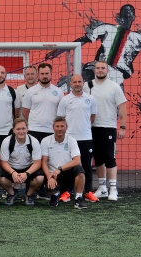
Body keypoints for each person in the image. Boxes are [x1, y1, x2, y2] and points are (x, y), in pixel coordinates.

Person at [47, 4, 141, 88]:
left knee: (116, 100)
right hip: (97, 68)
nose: (127, 17)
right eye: (125, 14)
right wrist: (57, 50)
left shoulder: (138, 38)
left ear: (133, 17)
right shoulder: (107, 28)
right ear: (120, 16)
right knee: (85, 75)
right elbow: (81, 41)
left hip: (117, 75)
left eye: (129, 14)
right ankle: (58, 91)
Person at [83, 61, 128, 201]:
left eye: (103, 68)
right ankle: (102, 188)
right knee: (98, 158)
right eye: (98, 68)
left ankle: (113, 189)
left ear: (107, 70)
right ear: (94, 70)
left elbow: (122, 108)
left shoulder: (114, 87)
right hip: (91, 128)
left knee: (110, 157)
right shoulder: (87, 85)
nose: (100, 70)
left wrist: (122, 127)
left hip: (108, 127)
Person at [57, 74, 99, 203]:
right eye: (74, 82)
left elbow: (92, 118)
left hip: (86, 137)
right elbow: (61, 118)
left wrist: (83, 128)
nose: (77, 84)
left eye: (79, 82)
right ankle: (66, 192)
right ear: (71, 84)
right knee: (68, 167)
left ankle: (88, 192)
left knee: (87, 166)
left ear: (83, 83)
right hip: (70, 138)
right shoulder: (65, 100)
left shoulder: (91, 99)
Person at [40, 117, 88, 209]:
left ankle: (78, 198)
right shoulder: (45, 141)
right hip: (53, 174)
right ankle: (55, 195)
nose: (60, 129)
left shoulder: (71, 140)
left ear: (67, 127)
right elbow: (44, 162)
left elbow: (77, 161)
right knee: (50, 188)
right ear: (53, 127)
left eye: (62, 126)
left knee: (80, 170)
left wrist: (60, 169)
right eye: (57, 126)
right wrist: (49, 177)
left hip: (67, 172)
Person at [0, 118, 44, 206]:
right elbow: (3, 162)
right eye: (18, 129)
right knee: (0, 178)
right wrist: (13, 173)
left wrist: (26, 173)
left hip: (28, 168)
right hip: (11, 168)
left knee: (40, 178)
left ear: (27, 129)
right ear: (13, 130)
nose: (21, 131)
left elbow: (37, 163)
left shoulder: (34, 141)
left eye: (23, 128)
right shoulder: (7, 141)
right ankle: (12, 193)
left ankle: (29, 194)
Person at [22, 63, 64, 142]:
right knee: (35, 154)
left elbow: (61, 112)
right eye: (42, 74)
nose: (44, 76)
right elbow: (25, 112)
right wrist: (35, 122)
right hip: (34, 130)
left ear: (51, 74)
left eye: (47, 73)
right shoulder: (30, 91)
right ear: (38, 75)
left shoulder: (58, 91)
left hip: (52, 130)